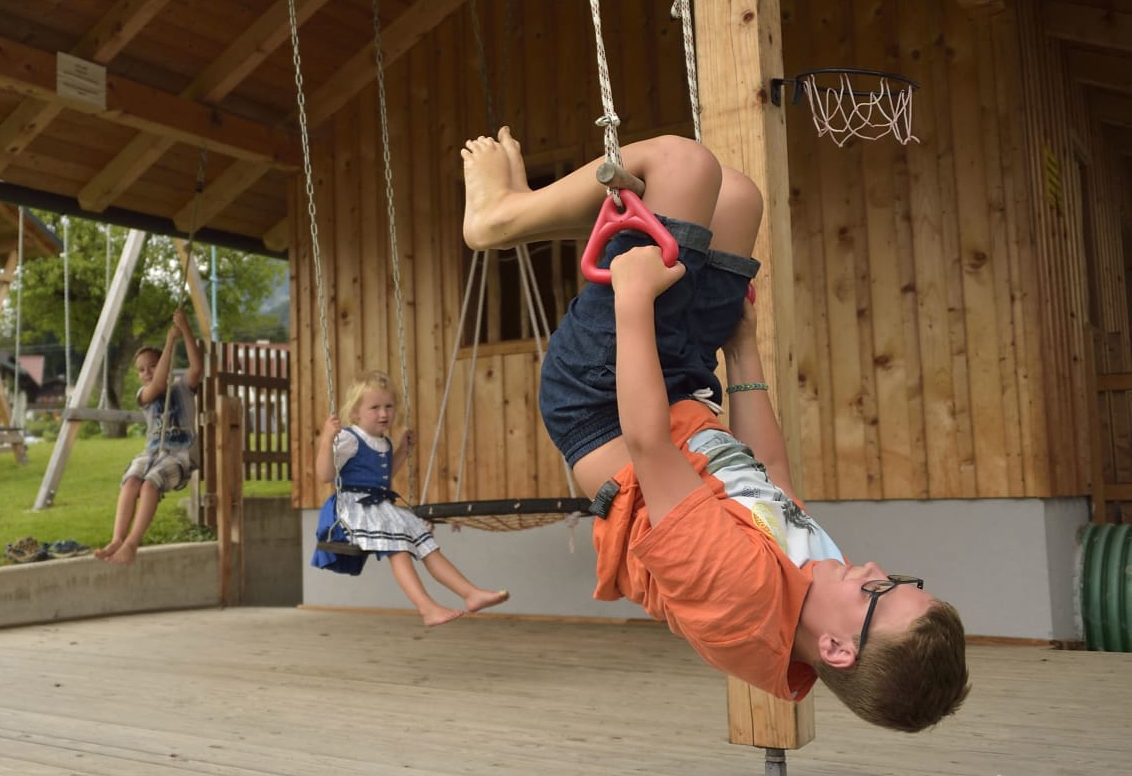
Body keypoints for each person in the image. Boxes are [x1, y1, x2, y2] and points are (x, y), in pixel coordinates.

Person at [461, 128, 969, 733]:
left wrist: (633, 299)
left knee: (682, 164)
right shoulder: (822, 578)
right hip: (681, 389)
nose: (873, 569)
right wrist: (744, 352)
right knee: (736, 198)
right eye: (895, 579)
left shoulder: (738, 598)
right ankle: (532, 212)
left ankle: (500, 216)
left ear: (836, 648)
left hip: (603, 401)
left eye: (876, 594)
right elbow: (768, 475)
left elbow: (649, 446)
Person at [312, 370, 510, 628]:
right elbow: (325, 475)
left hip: (379, 505)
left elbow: (382, 476)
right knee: (400, 548)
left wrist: (402, 451)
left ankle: (470, 593)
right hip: (354, 507)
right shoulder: (350, 438)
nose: (383, 413)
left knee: (426, 545)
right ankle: (427, 608)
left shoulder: (384, 441)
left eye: (389, 406)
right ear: (356, 412)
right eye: (375, 407)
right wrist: (327, 440)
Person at [96, 307, 205, 566]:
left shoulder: (182, 388)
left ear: (166, 365)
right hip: (151, 453)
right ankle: (117, 539)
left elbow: (197, 367)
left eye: (153, 366)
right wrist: (169, 342)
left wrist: (184, 330)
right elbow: (156, 385)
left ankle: (131, 544)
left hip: (179, 455)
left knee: (149, 485)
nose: (146, 372)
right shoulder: (143, 395)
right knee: (131, 480)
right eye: (141, 370)